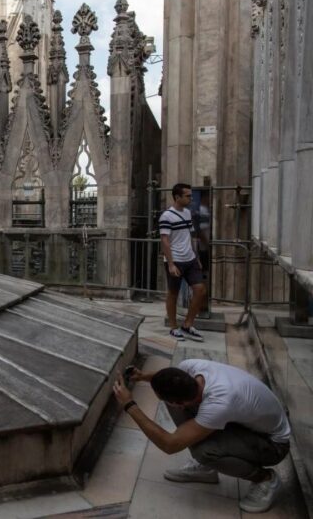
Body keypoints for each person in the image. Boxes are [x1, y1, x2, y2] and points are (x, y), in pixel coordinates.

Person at [112, 360, 291, 513]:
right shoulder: (189, 367)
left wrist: (130, 405)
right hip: (248, 424)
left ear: (181, 403)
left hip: (273, 444)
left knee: (204, 451)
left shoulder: (219, 403)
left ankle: (265, 479)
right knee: (194, 430)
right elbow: (171, 376)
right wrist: (144, 376)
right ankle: (208, 469)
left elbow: (170, 445)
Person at [160, 183, 206, 342]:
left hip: (190, 258)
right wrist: (171, 264)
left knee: (200, 290)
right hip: (176, 260)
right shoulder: (166, 216)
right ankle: (173, 327)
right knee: (173, 293)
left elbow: (190, 236)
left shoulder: (187, 213)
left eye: (191, 195)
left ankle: (187, 324)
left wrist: (196, 257)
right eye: (187, 196)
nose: (190, 198)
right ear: (177, 197)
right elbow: (165, 241)